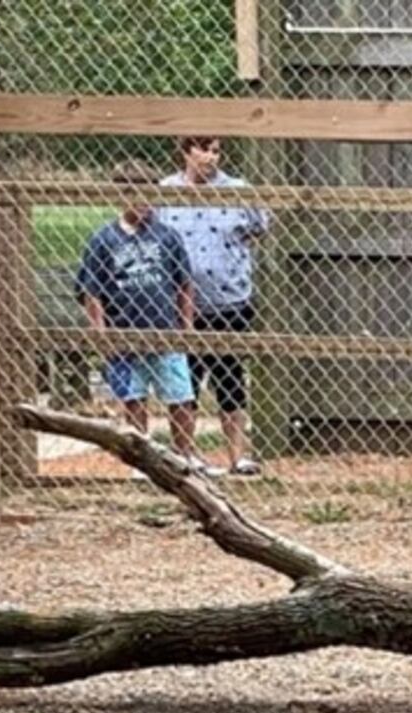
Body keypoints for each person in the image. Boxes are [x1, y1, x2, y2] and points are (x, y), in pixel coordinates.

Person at [76, 161, 216, 476]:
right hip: (124, 334)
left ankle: (183, 455)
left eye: (149, 197)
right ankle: (142, 459)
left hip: (164, 332)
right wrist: (100, 333)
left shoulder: (168, 237)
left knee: (180, 396)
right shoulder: (103, 240)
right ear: (120, 197)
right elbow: (92, 292)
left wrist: (186, 326)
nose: (144, 204)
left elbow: (183, 285)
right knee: (134, 398)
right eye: (136, 196)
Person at [157, 137, 270, 476]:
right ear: (185, 152)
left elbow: (258, 228)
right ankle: (187, 455)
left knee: (230, 378)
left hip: (229, 300)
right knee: (184, 379)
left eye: (216, 150)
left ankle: (238, 455)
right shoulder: (166, 190)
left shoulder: (237, 189)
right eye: (203, 150)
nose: (210, 157)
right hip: (180, 305)